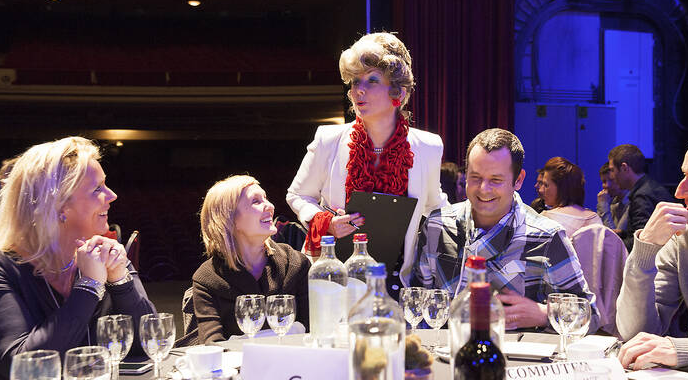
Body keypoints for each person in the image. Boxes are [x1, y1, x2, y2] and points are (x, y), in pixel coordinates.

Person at [0, 137, 155, 380]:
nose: (112, 195)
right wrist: (89, 286)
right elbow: (22, 367)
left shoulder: (103, 252)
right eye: (97, 188)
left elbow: (151, 341)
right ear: (57, 205)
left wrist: (121, 280)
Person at [286, 32, 447, 294]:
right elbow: (297, 195)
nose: (358, 90)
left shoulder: (428, 147)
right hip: (334, 280)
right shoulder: (329, 139)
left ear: (399, 91)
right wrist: (326, 222)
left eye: (372, 80)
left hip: (395, 283)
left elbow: (434, 208)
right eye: (355, 81)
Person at [411, 129, 600, 331]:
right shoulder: (438, 226)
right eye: (475, 177)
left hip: (519, 359)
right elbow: (417, 302)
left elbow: (590, 316)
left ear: (518, 180)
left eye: (496, 180)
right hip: (449, 354)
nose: (484, 189)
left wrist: (544, 314)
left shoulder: (546, 237)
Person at [617, 130, 688, 370]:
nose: (680, 192)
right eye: (684, 175)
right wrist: (645, 250)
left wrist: (684, 350)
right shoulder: (685, 238)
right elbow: (636, 333)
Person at [194, 175, 311, 344]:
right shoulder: (207, 279)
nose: (270, 206)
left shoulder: (296, 263)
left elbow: (313, 332)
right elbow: (212, 345)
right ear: (229, 219)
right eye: (256, 201)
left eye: (266, 198)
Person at [608, 144, 673, 250]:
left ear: (624, 168)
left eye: (612, 170)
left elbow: (642, 241)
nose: (612, 176)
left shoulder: (642, 196)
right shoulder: (649, 187)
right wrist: (622, 233)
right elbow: (646, 231)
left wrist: (610, 247)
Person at [538, 156, 602, 235]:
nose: (541, 190)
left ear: (561, 187)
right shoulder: (595, 219)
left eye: (546, 185)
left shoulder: (546, 219)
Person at [597, 162, 629, 235]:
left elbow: (613, 238)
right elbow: (599, 231)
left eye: (611, 180)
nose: (607, 185)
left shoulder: (631, 203)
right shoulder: (610, 200)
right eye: (604, 181)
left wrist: (603, 205)